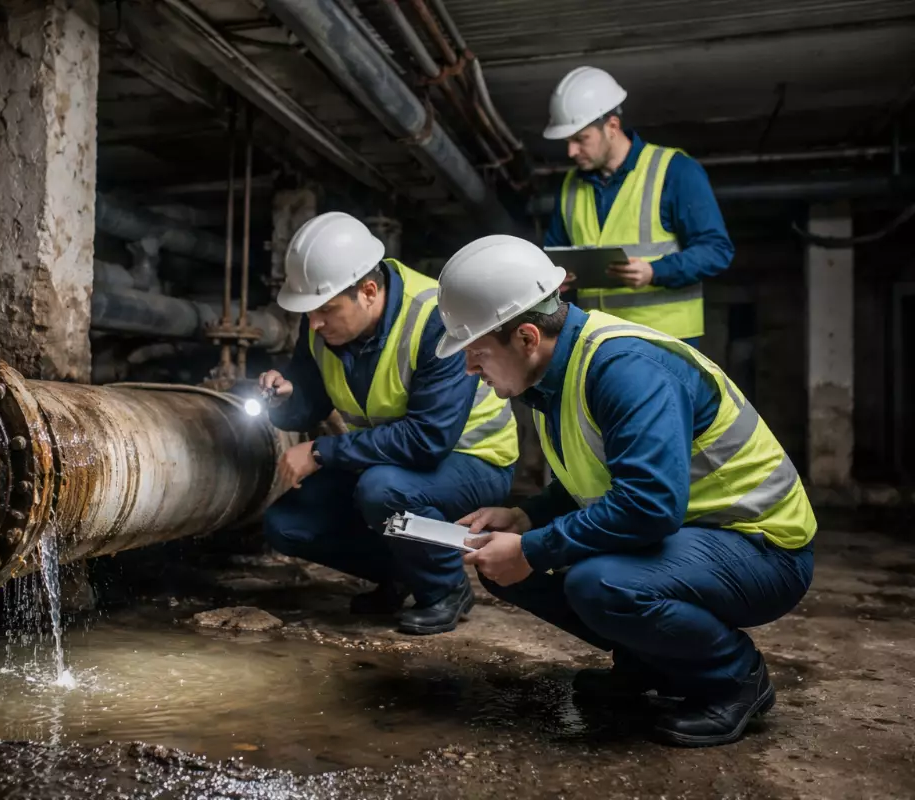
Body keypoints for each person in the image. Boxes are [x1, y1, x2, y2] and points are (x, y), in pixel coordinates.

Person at [435, 235, 816, 747]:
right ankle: (650, 662)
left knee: (600, 582)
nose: (469, 370)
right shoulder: (552, 376)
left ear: (526, 337)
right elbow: (597, 479)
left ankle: (736, 679)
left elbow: (648, 506)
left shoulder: (624, 370)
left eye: (476, 353)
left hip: (761, 548)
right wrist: (524, 520)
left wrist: (531, 547)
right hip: (693, 537)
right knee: (504, 568)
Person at [259, 211, 521, 635]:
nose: (315, 323)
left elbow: (427, 440)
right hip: (386, 462)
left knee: (381, 490)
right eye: (309, 312)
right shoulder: (321, 328)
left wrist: (322, 451)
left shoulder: (435, 318)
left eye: (325, 309)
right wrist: (284, 398)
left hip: (472, 461)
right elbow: (307, 406)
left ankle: (445, 589)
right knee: (287, 525)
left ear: (367, 291)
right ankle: (404, 572)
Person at [543, 66, 734, 347]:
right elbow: (553, 255)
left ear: (611, 127)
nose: (571, 152)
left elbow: (717, 250)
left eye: (580, 139)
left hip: (665, 342)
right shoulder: (571, 184)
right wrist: (557, 278)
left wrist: (655, 272)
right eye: (567, 142)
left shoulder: (675, 170)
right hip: (596, 340)